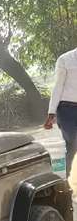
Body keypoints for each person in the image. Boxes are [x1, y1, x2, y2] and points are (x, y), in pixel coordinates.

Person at [44, 46, 77, 178]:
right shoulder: (65, 59)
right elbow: (58, 86)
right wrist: (51, 113)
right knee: (73, 145)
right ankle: (70, 184)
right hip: (66, 110)